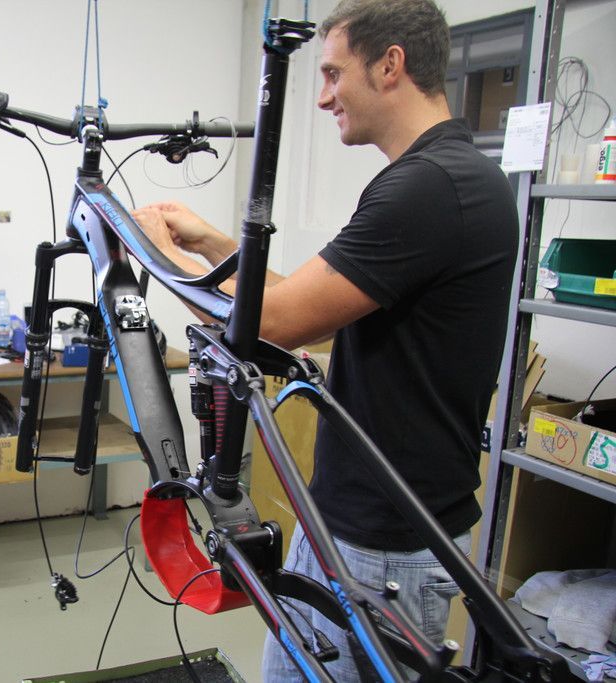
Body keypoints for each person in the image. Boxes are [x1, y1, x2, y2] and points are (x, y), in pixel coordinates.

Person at [132, 0, 518, 680]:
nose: (322, 97)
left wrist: (157, 252)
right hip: (348, 520)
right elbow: (318, 307)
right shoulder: (444, 176)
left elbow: (272, 324)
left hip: (387, 539)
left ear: (390, 65)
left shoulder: (431, 187)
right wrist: (214, 243)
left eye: (334, 73)